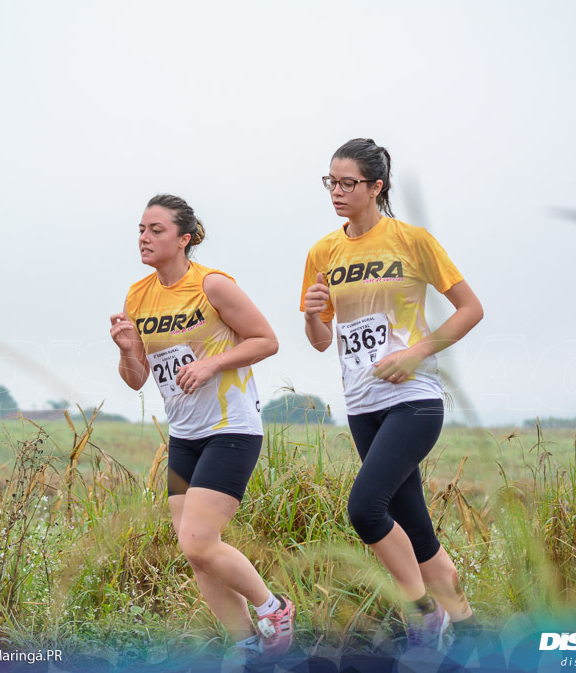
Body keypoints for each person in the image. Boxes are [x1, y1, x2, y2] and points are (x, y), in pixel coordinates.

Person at [300, 138, 484, 650]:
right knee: (417, 532)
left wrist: (416, 354)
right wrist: (315, 314)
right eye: (330, 181)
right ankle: (469, 632)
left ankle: (423, 616)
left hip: (413, 398)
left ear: (376, 186)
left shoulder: (411, 240)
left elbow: (470, 309)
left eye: (347, 183)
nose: (336, 191)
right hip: (362, 405)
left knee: (365, 508)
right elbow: (319, 341)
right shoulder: (323, 252)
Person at [109, 194, 295, 660]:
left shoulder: (211, 285)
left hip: (230, 427)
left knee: (198, 541)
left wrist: (212, 365)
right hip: (185, 436)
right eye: (140, 229)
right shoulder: (138, 295)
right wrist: (127, 348)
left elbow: (266, 340)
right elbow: (136, 379)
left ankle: (275, 609)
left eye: (156, 230)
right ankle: (250, 648)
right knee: (197, 555)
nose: (144, 238)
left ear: (184, 239)